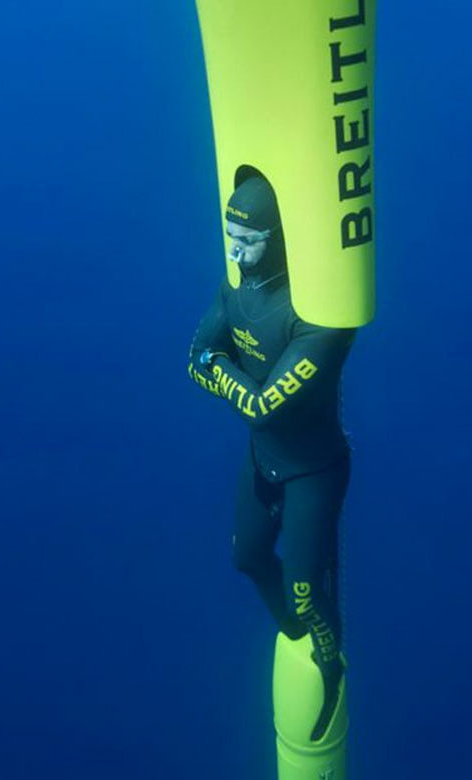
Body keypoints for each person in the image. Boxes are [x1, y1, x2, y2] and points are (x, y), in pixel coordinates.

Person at [187, 175, 356, 742]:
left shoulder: (317, 317)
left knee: (305, 594)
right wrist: (213, 364)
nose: (234, 251)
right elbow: (191, 358)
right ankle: (293, 632)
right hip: (265, 461)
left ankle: (330, 663)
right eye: (228, 235)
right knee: (247, 558)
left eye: (249, 240)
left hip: (313, 470)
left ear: (277, 239)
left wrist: (217, 364)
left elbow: (261, 406)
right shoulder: (236, 286)